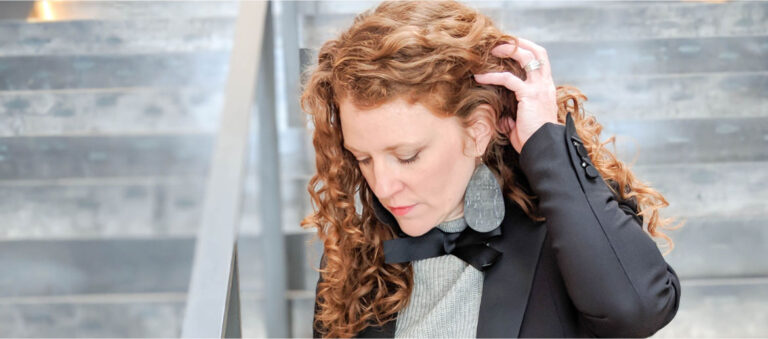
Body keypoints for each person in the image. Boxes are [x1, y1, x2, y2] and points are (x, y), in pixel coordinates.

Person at [300, 1, 683, 337]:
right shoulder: (358, 252)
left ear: (477, 131)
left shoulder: (563, 234)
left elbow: (636, 310)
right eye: (363, 158)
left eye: (407, 156)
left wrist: (548, 146)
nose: (382, 186)